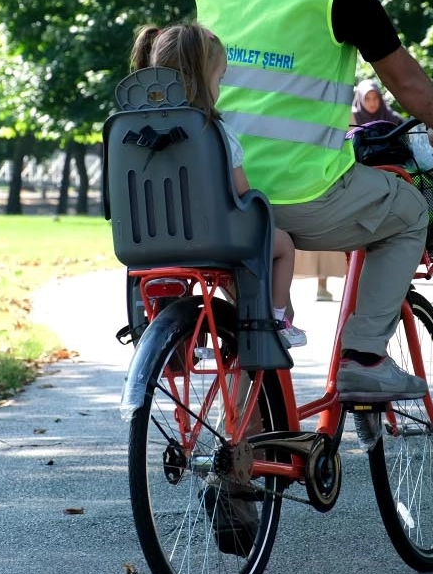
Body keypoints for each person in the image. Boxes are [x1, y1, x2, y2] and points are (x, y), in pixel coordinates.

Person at [190, 0, 433, 401]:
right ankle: (364, 356)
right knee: (409, 211)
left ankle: (248, 444)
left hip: (221, 191)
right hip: (304, 192)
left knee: (254, 321)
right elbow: (403, 79)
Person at [130, 22, 307, 349]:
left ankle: (180, 341)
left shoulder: (132, 132)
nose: (220, 87)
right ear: (202, 79)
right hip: (214, 241)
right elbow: (243, 194)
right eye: (220, 79)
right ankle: (277, 320)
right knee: (282, 245)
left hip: (147, 242)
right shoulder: (214, 132)